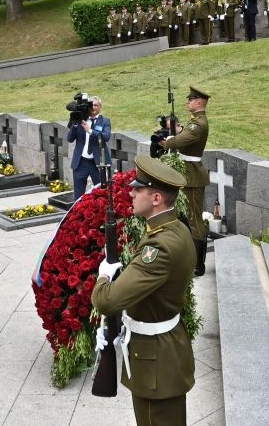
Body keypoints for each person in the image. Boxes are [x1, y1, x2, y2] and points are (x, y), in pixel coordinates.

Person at [92, 155, 195, 426]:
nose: (132, 192)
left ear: (157, 198)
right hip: (163, 349)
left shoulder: (157, 248)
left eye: (139, 189)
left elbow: (106, 300)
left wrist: (104, 275)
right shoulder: (174, 228)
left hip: (155, 362)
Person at [159, 86, 210, 276]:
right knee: (186, 217)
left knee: (195, 220)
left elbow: (182, 141)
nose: (187, 102)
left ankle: (198, 265)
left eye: (191, 100)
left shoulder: (199, 124)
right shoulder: (194, 122)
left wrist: (165, 141)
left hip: (193, 177)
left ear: (199, 102)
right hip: (187, 175)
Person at [66, 96, 112, 200]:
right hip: (81, 162)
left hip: (98, 163)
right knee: (78, 195)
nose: (93, 107)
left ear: (100, 107)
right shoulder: (81, 119)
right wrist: (75, 123)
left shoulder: (105, 121)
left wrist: (90, 130)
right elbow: (69, 139)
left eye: (96, 105)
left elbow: (106, 137)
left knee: (101, 193)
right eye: (91, 105)